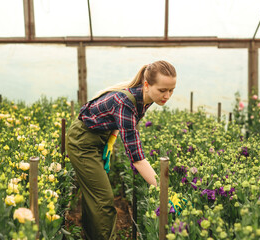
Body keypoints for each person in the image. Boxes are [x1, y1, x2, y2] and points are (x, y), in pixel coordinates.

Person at [67, 60, 177, 240]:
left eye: (171, 90)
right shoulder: (127, 102)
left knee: (94, 196)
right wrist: (164, 191)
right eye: (162, 90)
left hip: (98, 137)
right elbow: (137, 158)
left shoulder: (146, 97)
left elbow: (117, 119)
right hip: (82, 142)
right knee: (103, 201)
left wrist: (110, 141)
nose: (167, 95)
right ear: (147, 85)